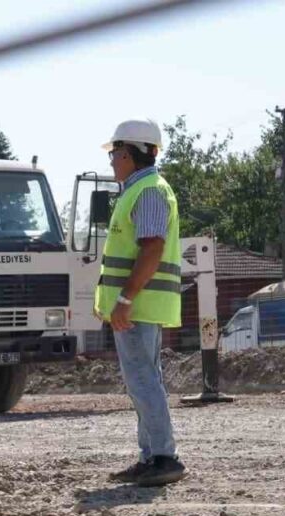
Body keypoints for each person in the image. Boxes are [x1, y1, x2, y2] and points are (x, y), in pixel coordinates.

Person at [95, 118, 187, 487]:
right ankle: (151, 456)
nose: (112, 161)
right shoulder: (141, 189)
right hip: (138, 305)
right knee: (144, 380)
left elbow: (152, 248)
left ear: (131, 154)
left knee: (143, 381)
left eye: (115, 153)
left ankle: (164, 457)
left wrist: (124, 299)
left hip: (138, 305)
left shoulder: (148, 191)